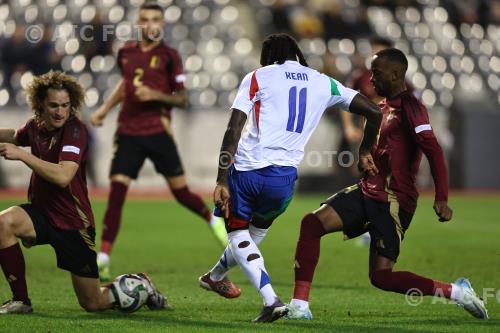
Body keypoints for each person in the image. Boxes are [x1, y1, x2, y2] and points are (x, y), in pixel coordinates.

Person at [286, 48, 489, 320]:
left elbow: (434, 151)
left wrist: (442, 197)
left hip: (394, 201)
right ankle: (299, 307)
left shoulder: (412, 107)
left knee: (381, 277)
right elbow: (369, 148)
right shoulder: (379, 109)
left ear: (396, 74)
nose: (371, 79)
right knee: (311, 224)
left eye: (377, 73)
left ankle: (456, 292)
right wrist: (365, 156)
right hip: (366, 191)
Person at [197, 33, 382, 323]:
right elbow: (374, 111)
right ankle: (215, 276)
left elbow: (233, 129)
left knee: (237, 233)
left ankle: (271, 300)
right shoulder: (322, 81)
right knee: (253, 235)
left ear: (268, 56)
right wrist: (365, 150)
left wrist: (222, 178)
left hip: (247, 171)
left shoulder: (258, 77)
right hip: (283, 180)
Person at [0, 71, 164, 314]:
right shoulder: (36, 126)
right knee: (4, 223)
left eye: (65, 105)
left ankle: (141, 285)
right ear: (39, 106)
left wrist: (23, 155)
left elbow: (63, 175)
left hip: (72, 223)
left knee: (92, 302)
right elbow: (15, 135)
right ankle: (21, 300)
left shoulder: (75, 131)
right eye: (53, 105)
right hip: (42, 214)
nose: (60, 112)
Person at [90, 2, 227, 281]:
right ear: (139, 23)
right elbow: (125, 84)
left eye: (156, 19)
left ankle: (213, 219)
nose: (151, 24)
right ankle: (102, 257)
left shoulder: (170, 56)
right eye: (146, 19)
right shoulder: (125, 52)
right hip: (128, 132)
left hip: (158, 132)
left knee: (181, 193)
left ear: (162, 24)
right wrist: (104, 109)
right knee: (116, 193)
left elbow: (182, 99)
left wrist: (156, 96)